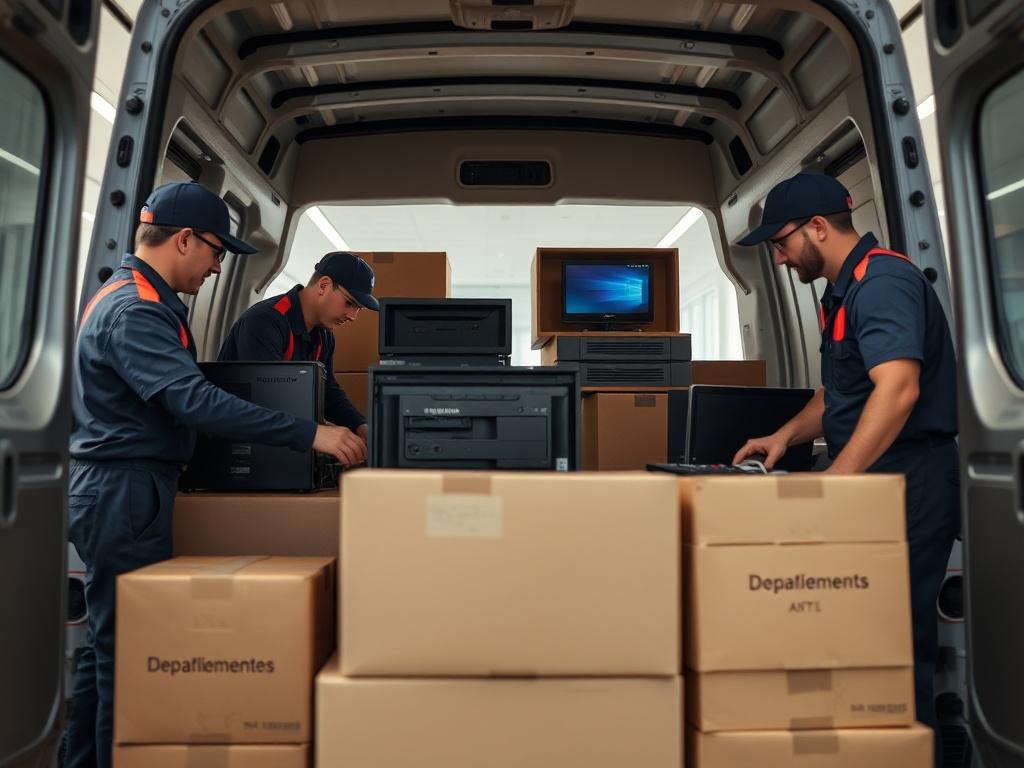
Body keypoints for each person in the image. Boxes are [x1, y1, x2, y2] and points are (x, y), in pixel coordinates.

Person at [65, 181, 365, 768]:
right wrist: (312, 433)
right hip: (122, 489)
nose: (215, 265)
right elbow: (195, 402)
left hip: (125, 486)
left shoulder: (126, 296)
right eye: (215, 251)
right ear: (184, 240)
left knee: (109, 649)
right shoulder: (137, 312)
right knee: (126, 654)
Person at [732, 172, 960, 743]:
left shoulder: (883, 282)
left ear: (817, 228)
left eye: (782, 243)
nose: (781, 258)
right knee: (863, 635)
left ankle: (908, 751)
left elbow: (898, 389)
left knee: (895, 645)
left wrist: (839, 475)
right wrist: (785, 438)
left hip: (909, 481)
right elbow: (839, 391)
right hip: (873, 479)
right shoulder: (844, 290)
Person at [218, 251, 379, 443]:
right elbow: (266, 400)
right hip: (242, 441)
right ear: (324, 285)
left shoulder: (325, 336)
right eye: (349, 303)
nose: (353, 316)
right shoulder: (264, 322)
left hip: (286, 437)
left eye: (358, 309)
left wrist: (360, 425)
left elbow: (327, 392)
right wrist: (322, 433)